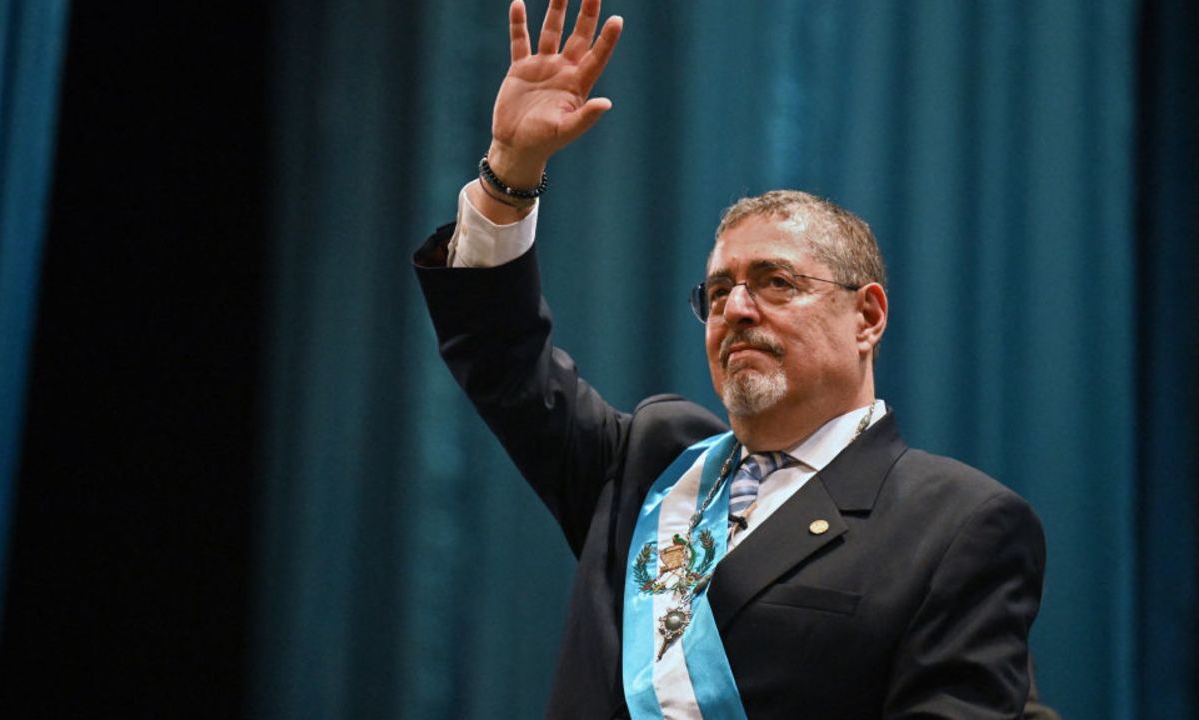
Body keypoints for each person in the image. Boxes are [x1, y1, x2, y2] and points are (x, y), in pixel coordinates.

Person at [413, 1, 1056, 717]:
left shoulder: (958, 525)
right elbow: (503, 360)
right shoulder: (648, 464)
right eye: (718, 292)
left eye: (776, 283)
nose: (737, 310)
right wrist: (511, 170)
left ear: (867, 316)